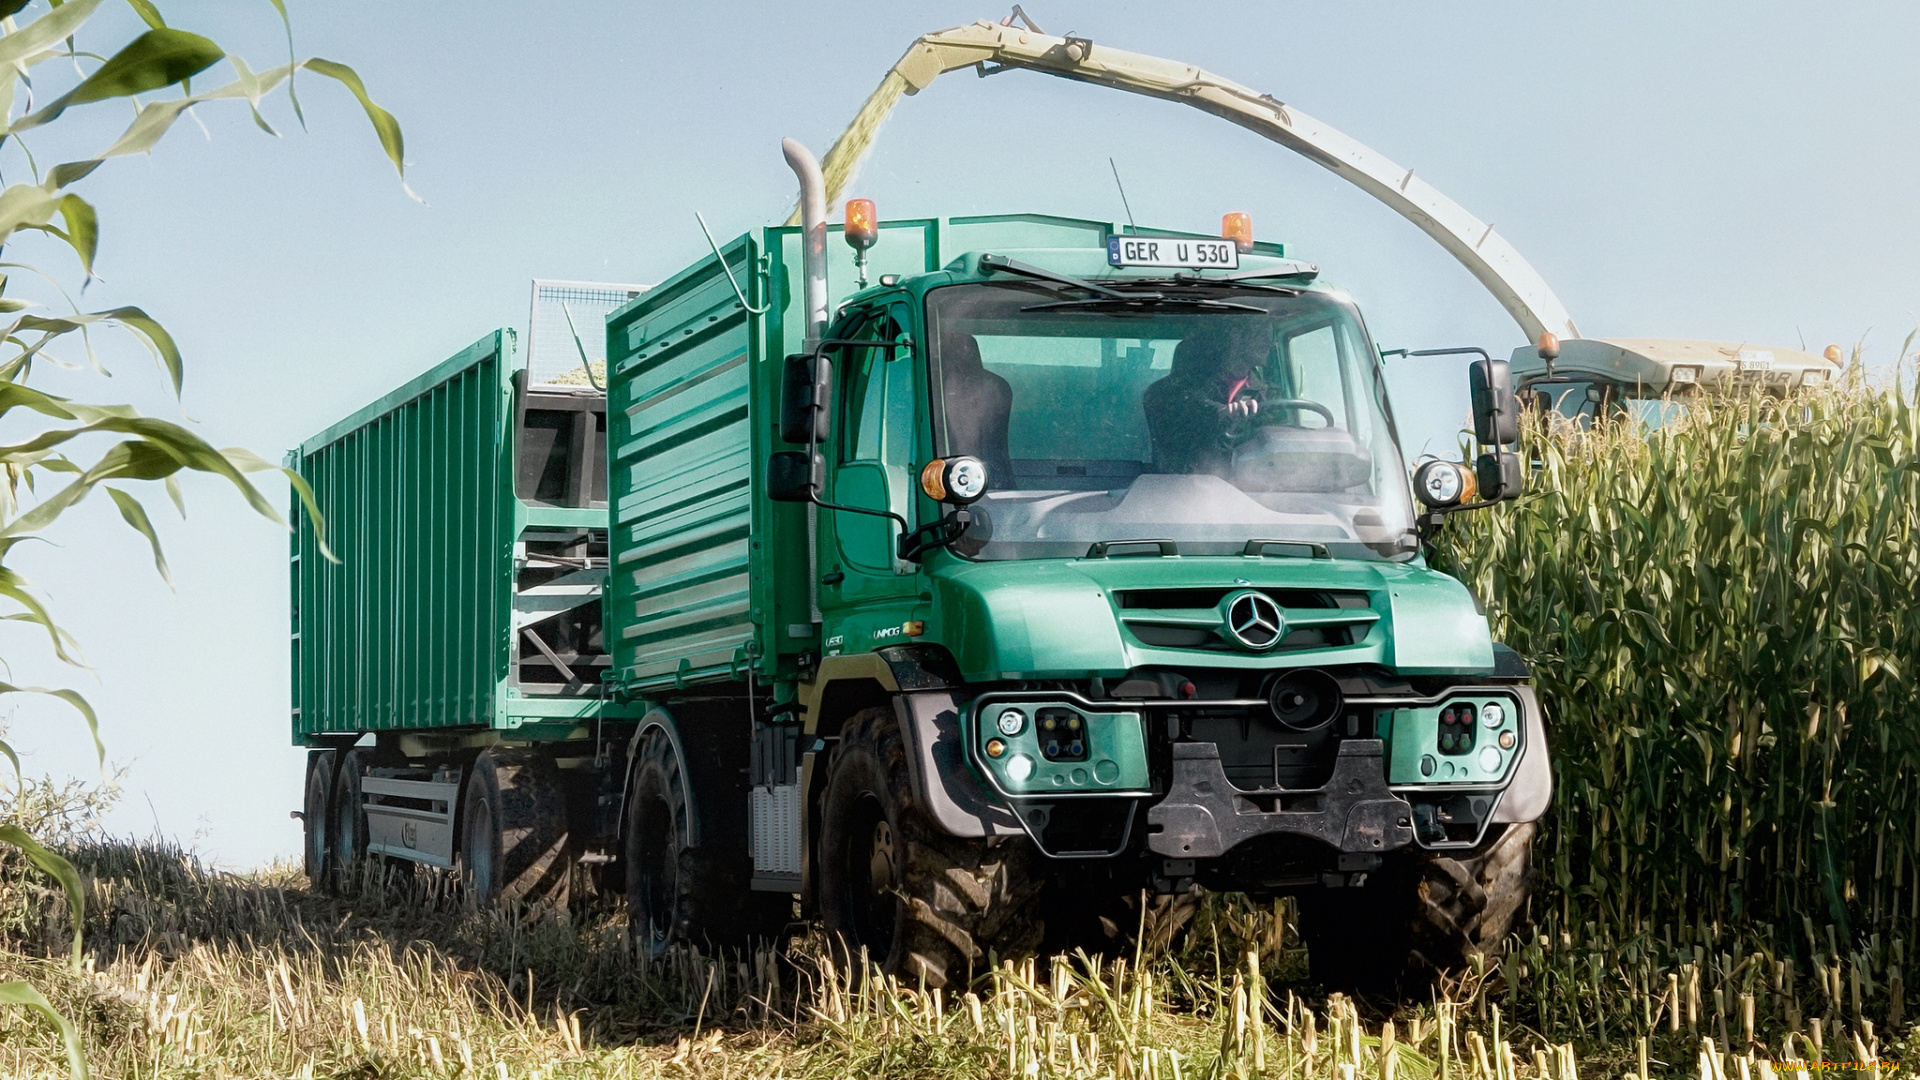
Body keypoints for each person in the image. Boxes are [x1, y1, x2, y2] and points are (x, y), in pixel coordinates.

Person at [1142, 323, 1270, 476]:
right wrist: (1223, 413)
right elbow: (1187, 408)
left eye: (1270, 336)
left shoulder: (1268, 393)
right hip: (1180, 486)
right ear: (1234, 337)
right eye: (1260, 333)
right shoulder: (1165, 392)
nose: (1268, 342)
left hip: (1253, 488)